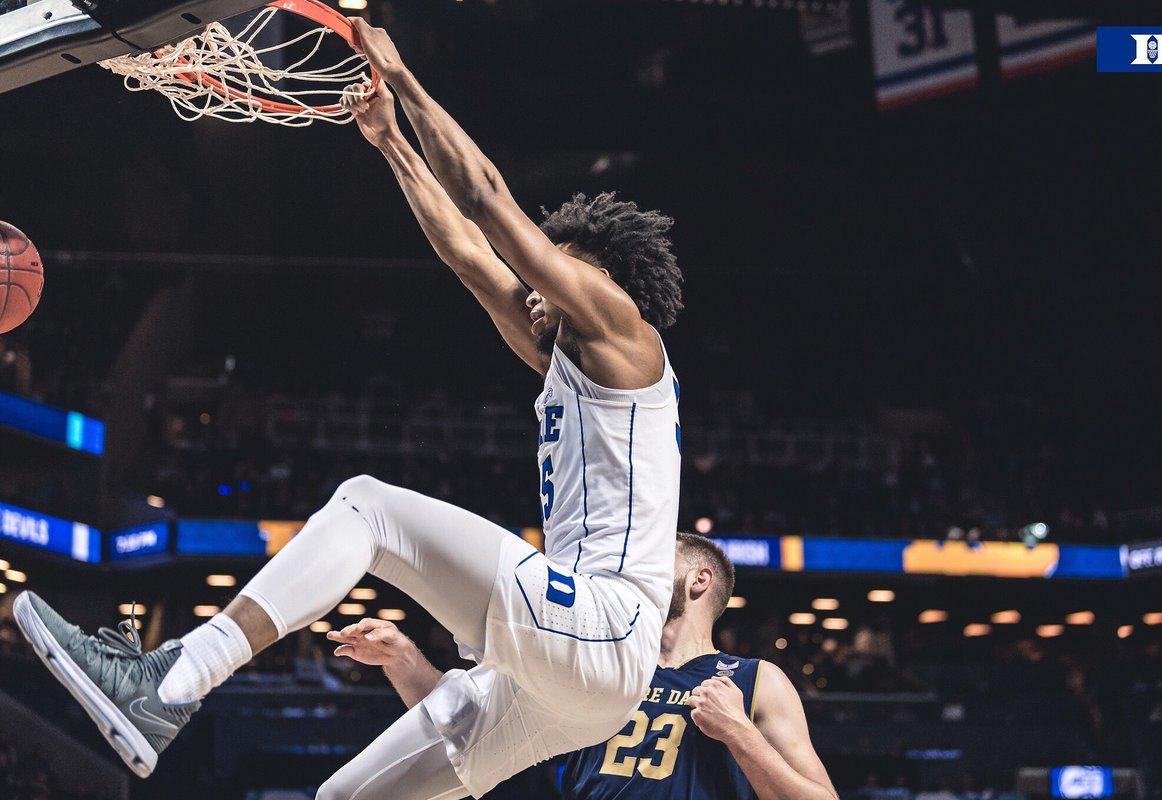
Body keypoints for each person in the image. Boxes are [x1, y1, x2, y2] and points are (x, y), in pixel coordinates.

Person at [13, 21, 684, 800]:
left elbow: (485, 200)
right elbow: (470, 255)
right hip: (580, 682)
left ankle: (170, 683)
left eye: (555, 272)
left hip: (603, 625)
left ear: (601, 282)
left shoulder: (624, 332)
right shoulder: (570, 359)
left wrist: (403, 77)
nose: (535, 288)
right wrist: (392, 143)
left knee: (368, 507)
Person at [331, 533, 837, 800]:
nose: (635, 570)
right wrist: (403, 659)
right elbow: (469, 730)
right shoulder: (596, 662)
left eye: (653, 561)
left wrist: (739, 733)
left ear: (699, 580)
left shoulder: (753, 680)